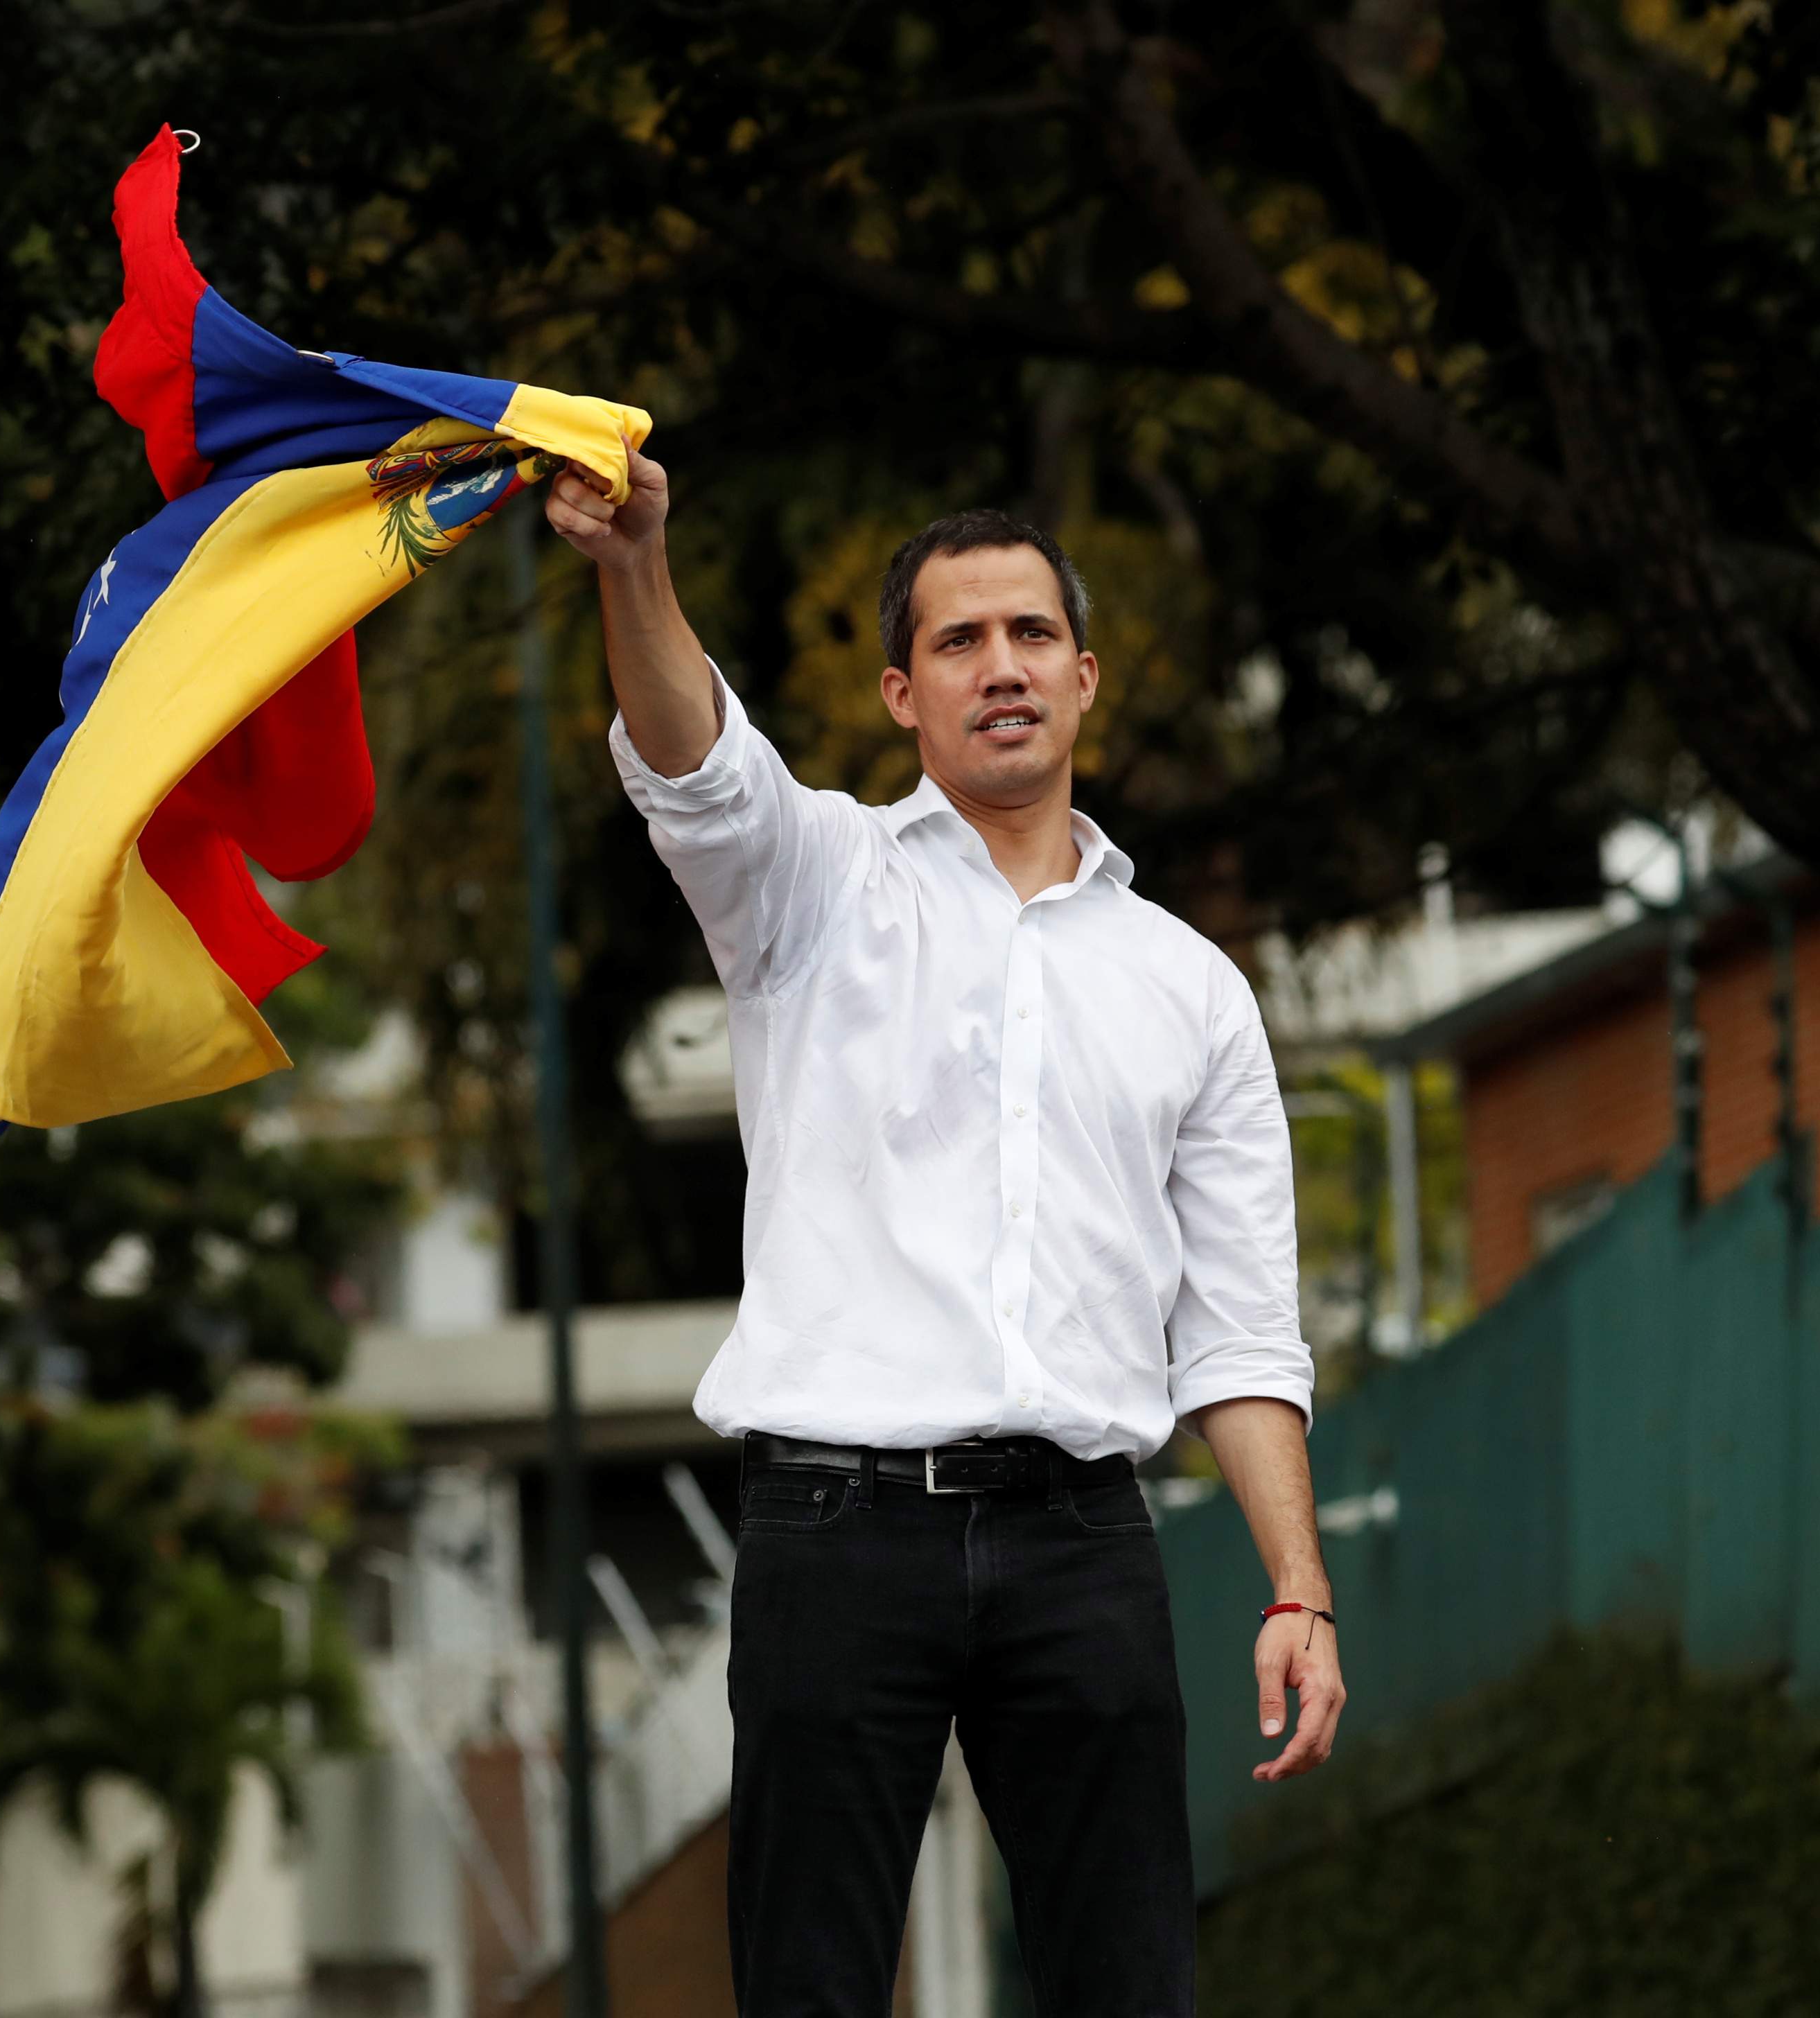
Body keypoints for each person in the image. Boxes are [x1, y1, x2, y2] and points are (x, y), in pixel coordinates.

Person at [543, 449, 1345, 2018]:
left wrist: (1298, 1586)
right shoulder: (814, 885)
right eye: (961, 642)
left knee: (1132, 1991)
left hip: (1085, 1543)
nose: (1003, 667)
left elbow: (1242, 1338)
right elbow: (697, 765)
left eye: (1032, 634)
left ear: (1086, 676)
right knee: (812, 1991)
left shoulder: (1191, 986)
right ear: (905, 692)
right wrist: (634, 565)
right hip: (839, 1536)